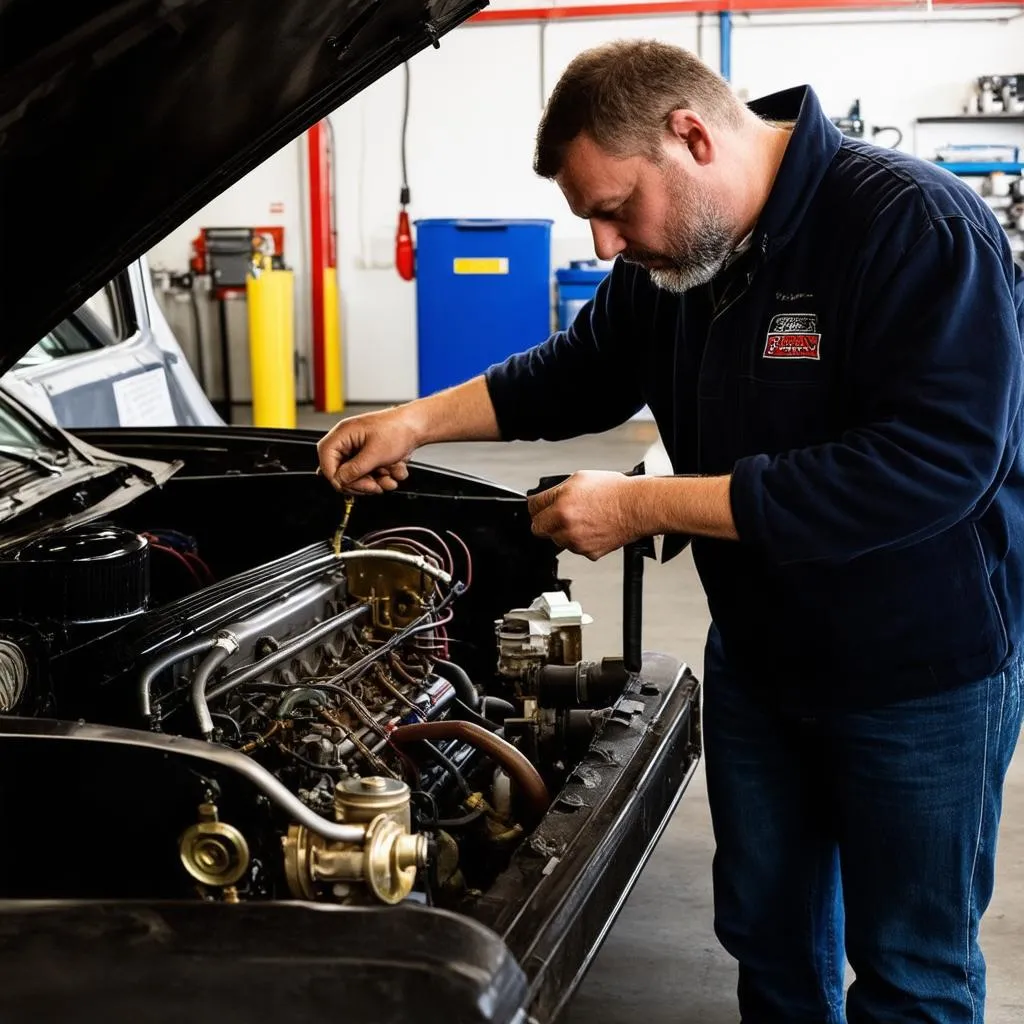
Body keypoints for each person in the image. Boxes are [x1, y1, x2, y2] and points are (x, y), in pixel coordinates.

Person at [318, 40, 1024, 1024]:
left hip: (914, 674)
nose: (605, 245)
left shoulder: (908, 224)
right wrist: (413, 420)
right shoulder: (681, 262)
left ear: (690, 136)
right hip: (761, 664)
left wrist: (645, 501)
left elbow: (928, 470)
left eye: (613, 209)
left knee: (912, 969)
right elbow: (574, 372)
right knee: (768, 942)